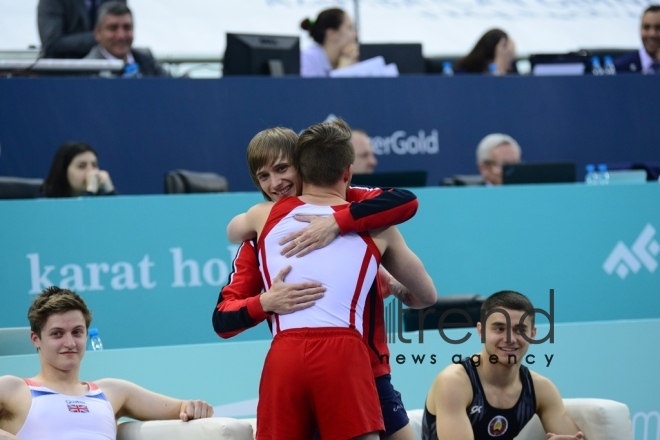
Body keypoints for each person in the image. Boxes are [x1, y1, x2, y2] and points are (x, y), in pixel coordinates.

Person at [224, 120, 437, 439]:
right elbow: (222, 319)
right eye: (263, 176)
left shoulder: (262, 219)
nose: (276, 182)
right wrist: (265, 302)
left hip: (336, 365)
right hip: (345, 361)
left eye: (283, 169)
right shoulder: (376, 222)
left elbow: (232, 229)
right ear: (346, 170)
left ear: (303, 167)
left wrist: (339, 223)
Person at [0, 286, 213, 440]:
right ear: (36, 339)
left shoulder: (113, 391)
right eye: (57, 334)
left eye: (77, 332)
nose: (70, 343)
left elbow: (182, 407)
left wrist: (195, 409)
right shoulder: (13, 389)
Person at [423, 290, 583, 440]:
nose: (509, 338)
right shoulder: (453, 382)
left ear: (532, 335)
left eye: (519, 330)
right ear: (481, 331)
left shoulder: (540, 389)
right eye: (499, 328)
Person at [84, 2, 168, 77]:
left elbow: (170, 87)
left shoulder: (146, 59)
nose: (121, 36)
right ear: (97, 33)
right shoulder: (86, 69)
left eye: (127, 28)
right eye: (113, 28)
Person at [37, 0, 127, 59]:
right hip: (63, 74)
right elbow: (51, 43)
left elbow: (124, 29)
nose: (120, 35)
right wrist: (102, 37)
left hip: (110, 70)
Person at [42, 142, 115, 198]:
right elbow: (79, 215)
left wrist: (110, 191)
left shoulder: (100, 204)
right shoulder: (44, 202)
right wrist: (90, 192)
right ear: (63, 171)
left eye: (94, 165)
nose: (91, 172)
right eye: (82, 166)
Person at [300, 8, 359, 77]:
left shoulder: (347, 60)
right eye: (350, 28)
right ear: (332, 34)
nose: (356, 35)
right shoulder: (306, 60)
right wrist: (343, 70)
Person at [614, 5, 660, 74]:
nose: (652, 34)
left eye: (658, 28)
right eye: (646, 27)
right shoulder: (620, 68)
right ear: (640, 29)